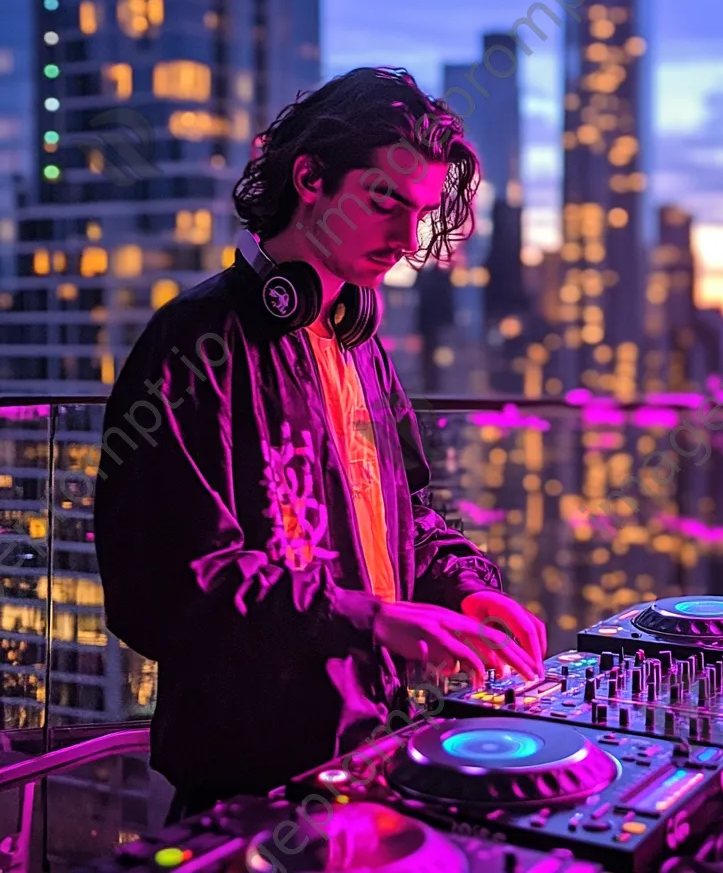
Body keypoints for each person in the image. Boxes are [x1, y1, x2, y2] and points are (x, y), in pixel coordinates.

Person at [93, 68, 547, 821]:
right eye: (384, 201)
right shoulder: (192, 343)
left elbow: (411, 521)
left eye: (420, 213)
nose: (406, 241)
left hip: (375, 760)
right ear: (310, 178)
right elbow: (170, 588)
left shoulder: (358, 345)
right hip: (253, 785)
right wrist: (369, 618)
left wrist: (468, 590)